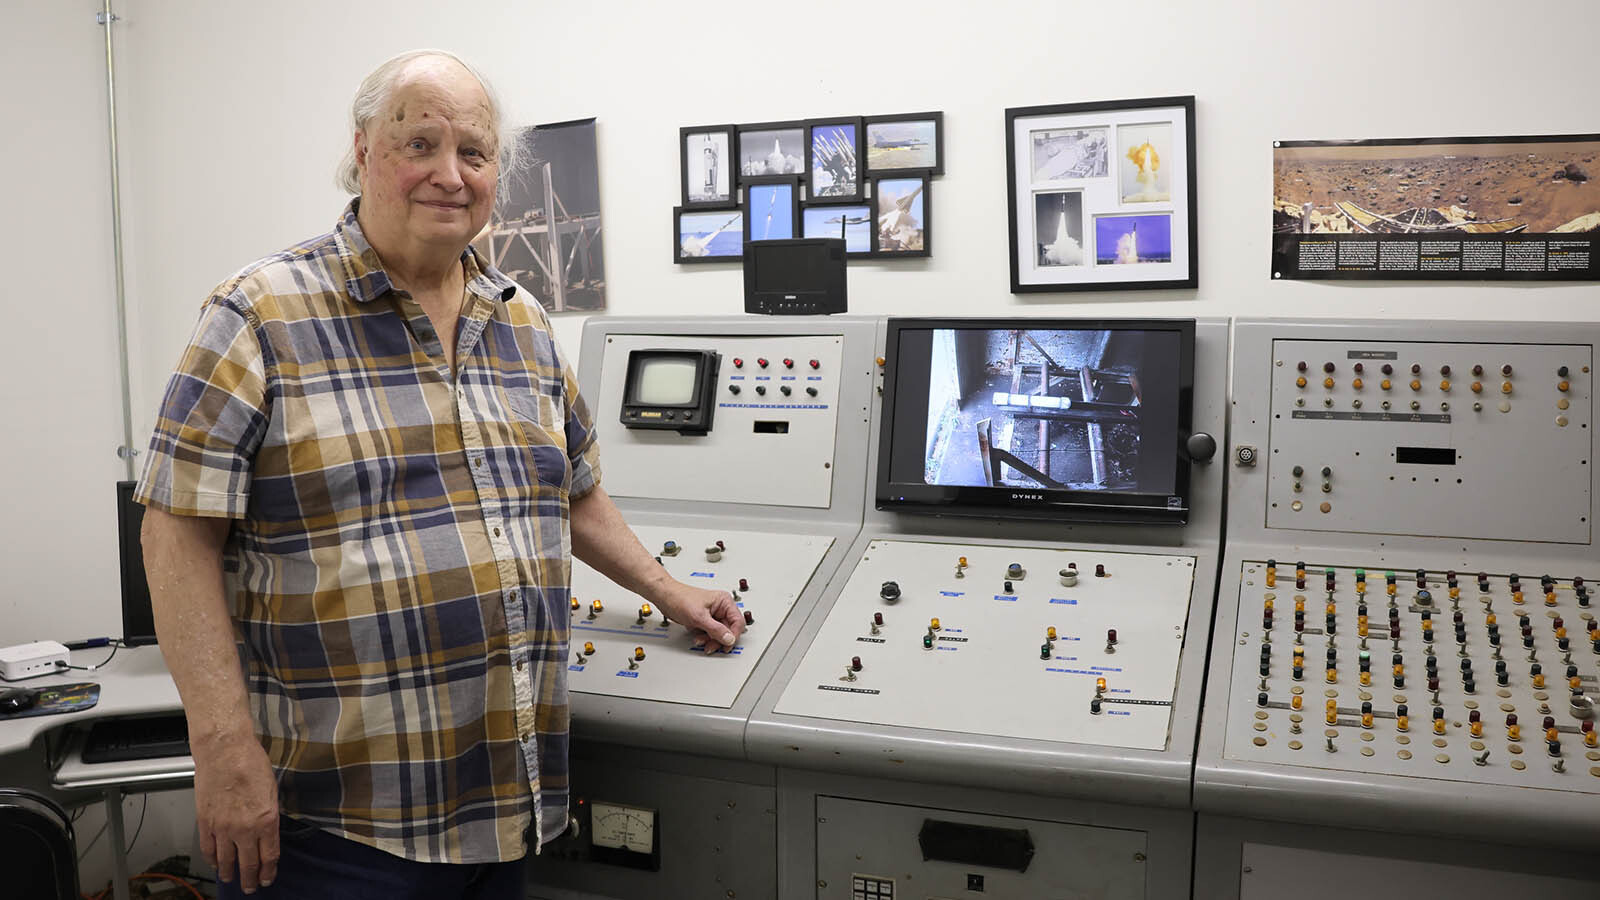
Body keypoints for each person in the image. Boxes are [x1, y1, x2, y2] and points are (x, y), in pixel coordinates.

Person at [135, 49, 744, 898]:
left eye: (474, 152)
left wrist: (668, 590)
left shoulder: (521, 320)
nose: (449, 175)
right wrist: (223, 748)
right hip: (337, 829)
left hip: (506, 807)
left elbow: (571, 490)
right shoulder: (259, 314)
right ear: (363, 151)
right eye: (419, 142)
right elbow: (174, 534)